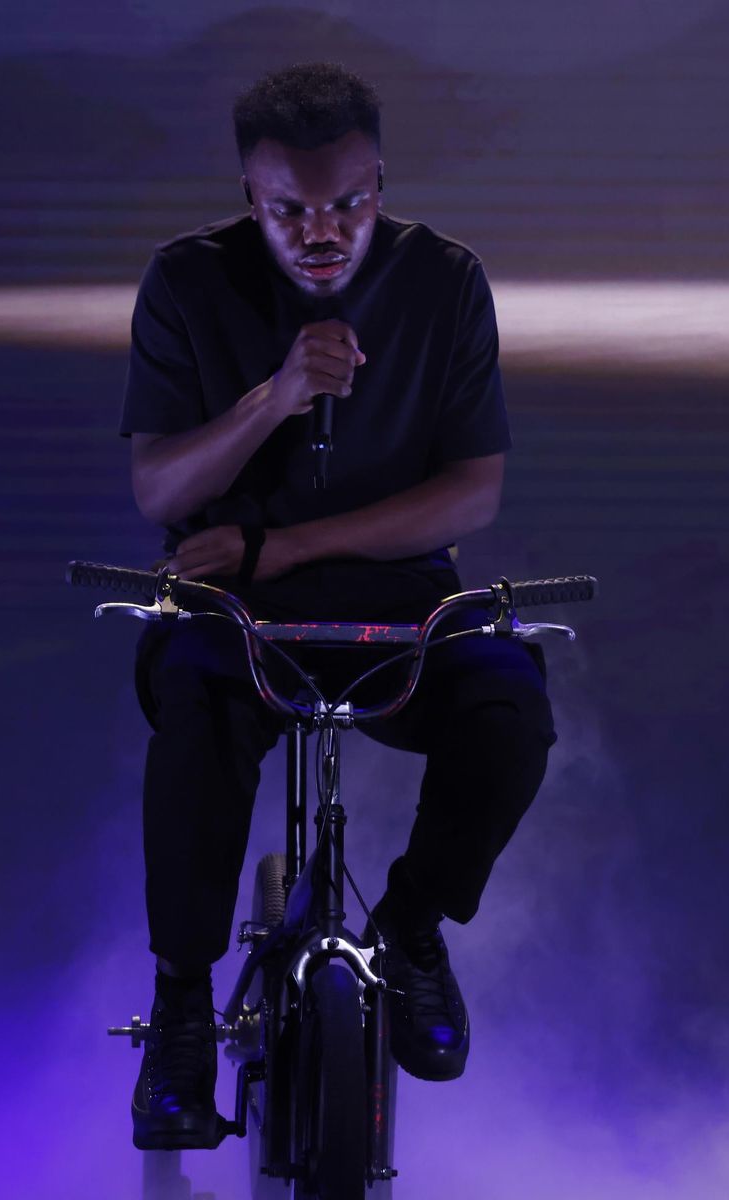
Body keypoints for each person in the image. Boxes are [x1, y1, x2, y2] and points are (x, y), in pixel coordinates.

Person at [120, 63, 556, 1151]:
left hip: (400, 595)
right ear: (249, 194)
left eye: (347, 203)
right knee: (197, 722)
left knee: (510, 707)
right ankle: (183, 1005)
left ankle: (409, 929)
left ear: (380, 183)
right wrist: (274, 397)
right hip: (227, 602)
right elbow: (160, 490)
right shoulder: (185, 280)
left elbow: (473, 493)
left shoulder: (445, 280)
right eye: (289, 209)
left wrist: (284, 543)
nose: (321, 231)